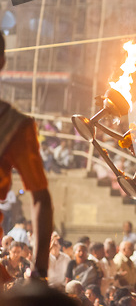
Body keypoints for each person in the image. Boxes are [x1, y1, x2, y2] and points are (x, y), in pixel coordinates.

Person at [0, 32, 53, 281]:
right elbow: (41, 198)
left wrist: (39, 269)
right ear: (3, 61)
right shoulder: (14, 125)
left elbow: (41, 198)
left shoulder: (15, 126)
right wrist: (39, 271)